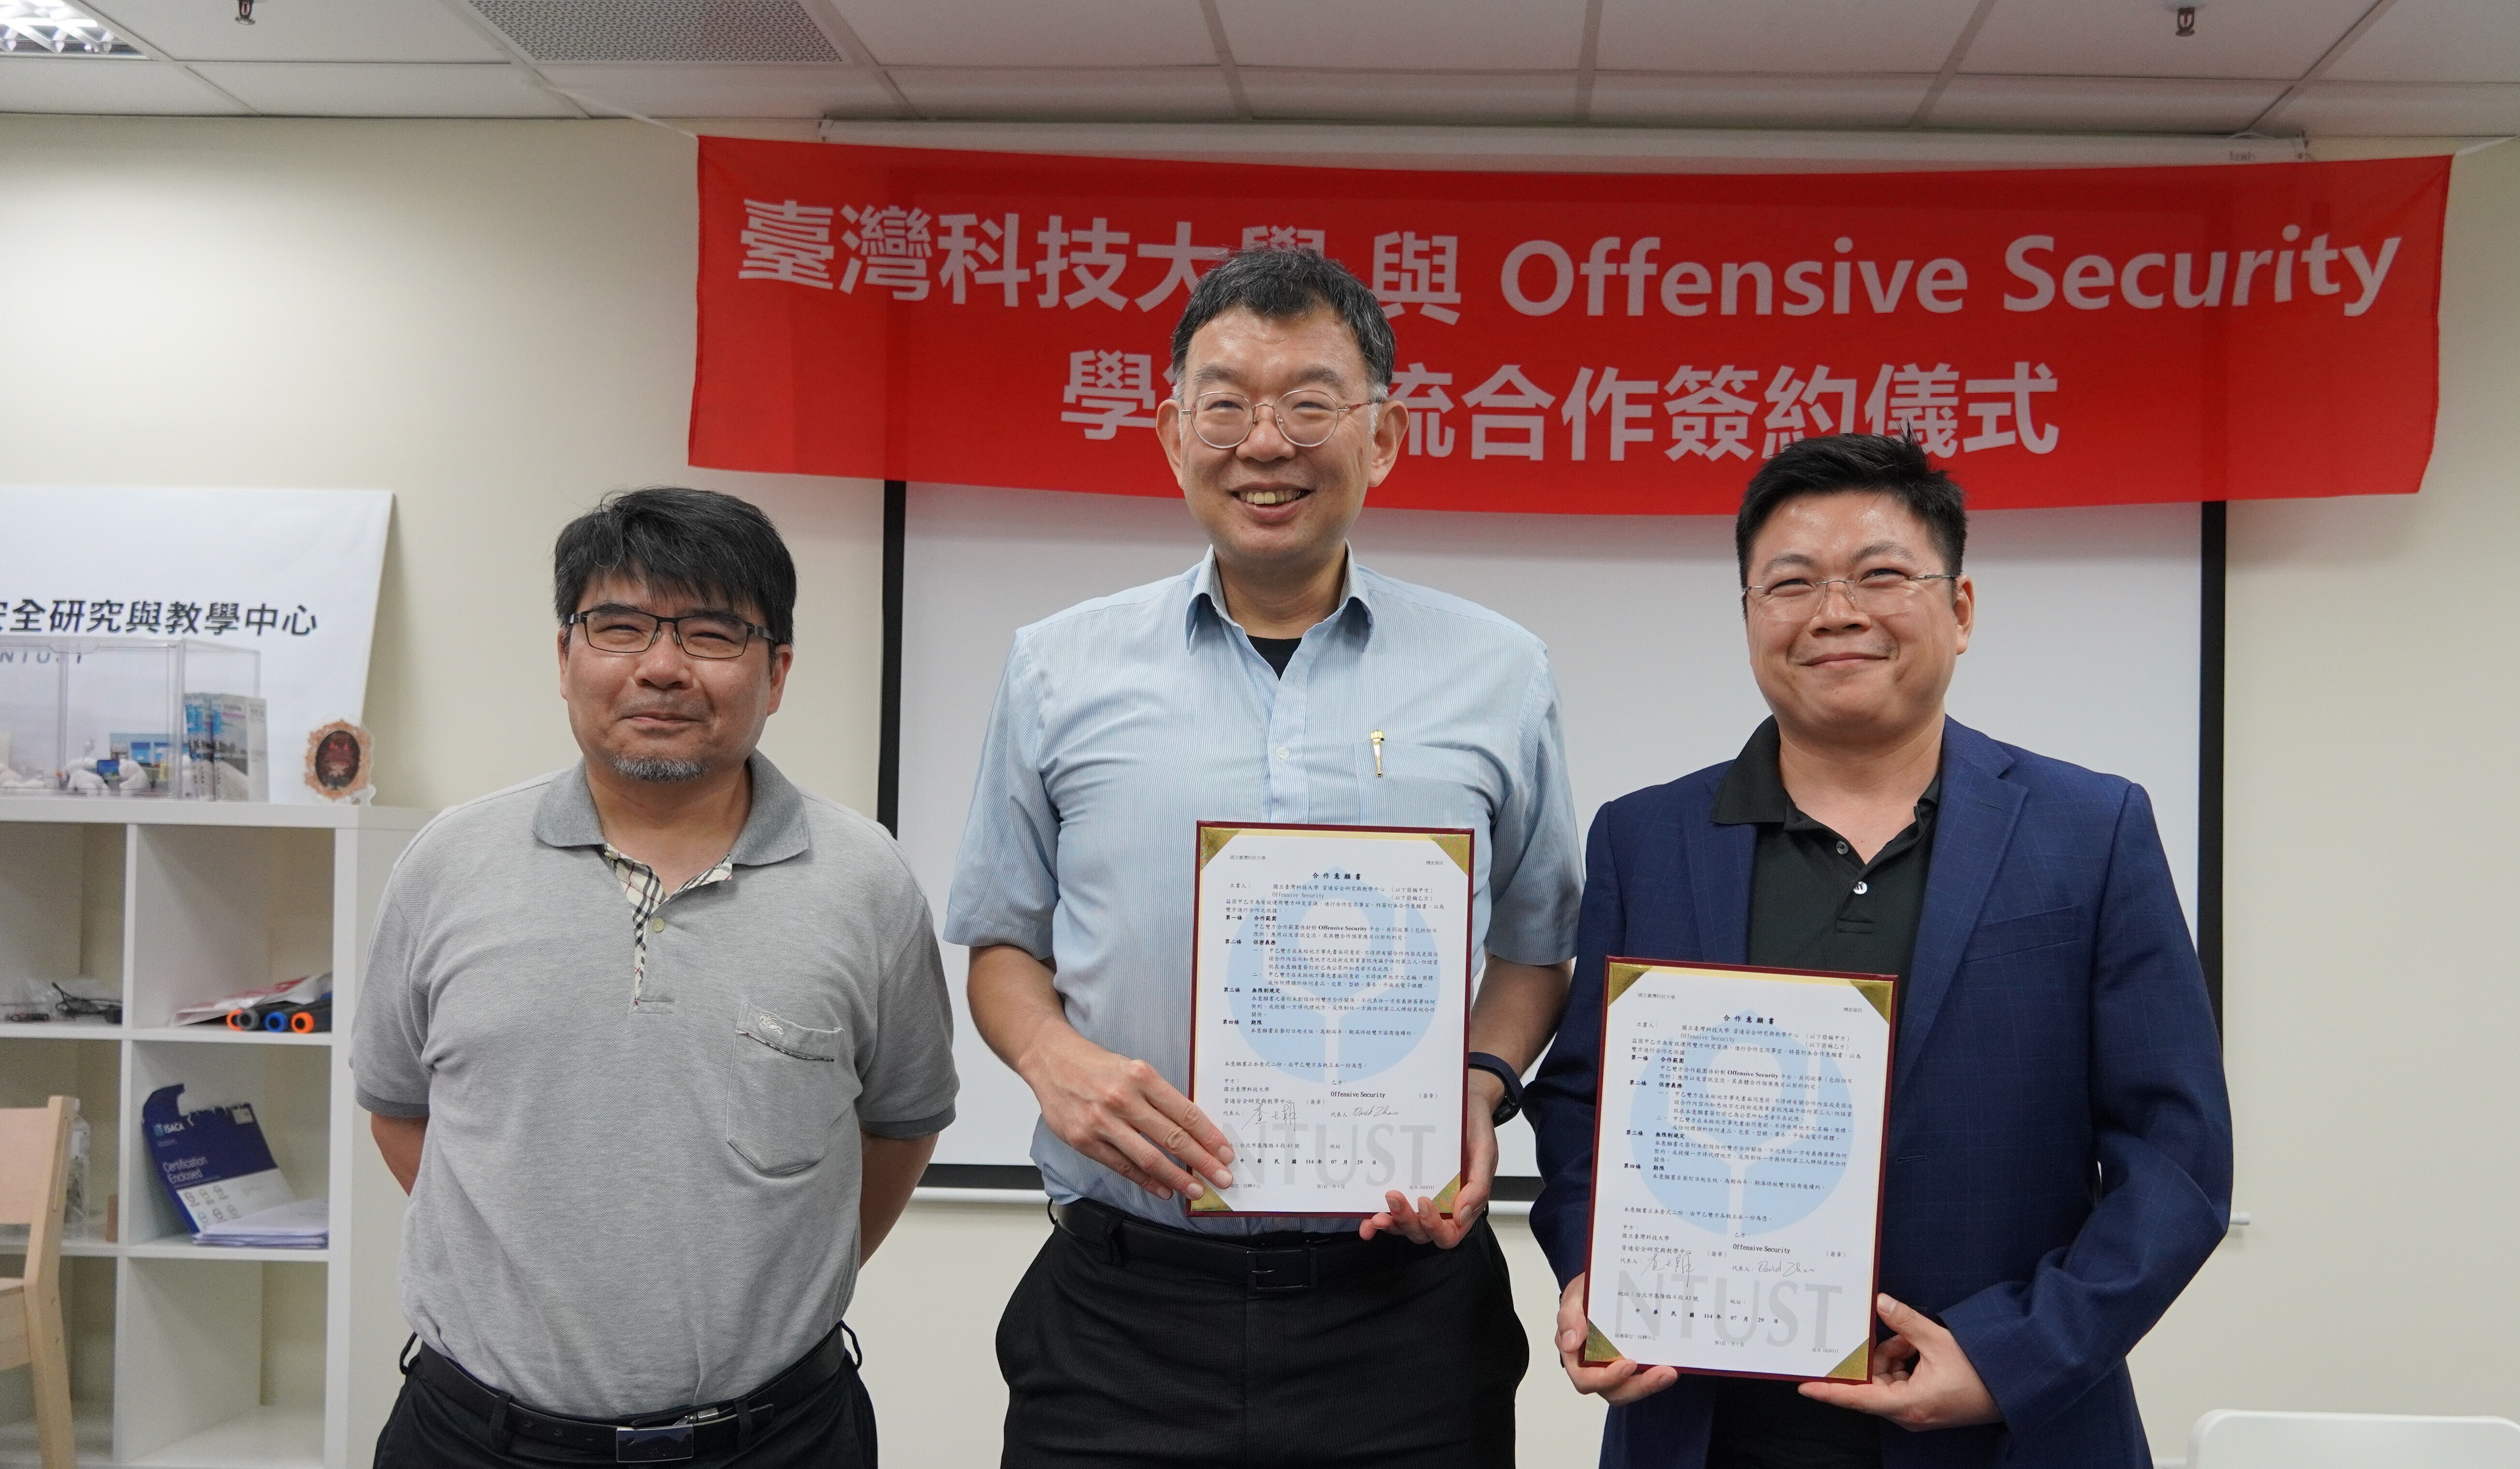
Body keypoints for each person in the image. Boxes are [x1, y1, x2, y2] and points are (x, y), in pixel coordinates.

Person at [946, 247, 1583, 1468]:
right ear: (1173, 434)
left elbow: (1536, 945)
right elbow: (1002, 945)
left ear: (1383, 435)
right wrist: (1050, 1057)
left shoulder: (1498, 670)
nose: (1265, 441)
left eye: (1308, 402)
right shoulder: (1058, 667)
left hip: (1396, 1311)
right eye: (1225, 402)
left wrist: (1482, 1083)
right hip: (1124, 1309)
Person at [1527, 435, 2233, 1469]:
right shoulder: (1648, 839)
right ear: (1749, 618)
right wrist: (1602, 1274)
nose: (1836, 611)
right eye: (1792, 582)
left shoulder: (2091, 829)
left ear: (1961, 610)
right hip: (1708, 1429)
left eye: (1882, 575)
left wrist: (2014, 1356)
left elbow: (2177, 1158)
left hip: (2002, 1432)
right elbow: (1585, 1107)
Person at [352, 486, 957, 1468]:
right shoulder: (447, 862)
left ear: (778, 670)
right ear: (564, 657)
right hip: (476, 1438)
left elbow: (900, 1125)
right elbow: (400, 1110)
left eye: (713, 634)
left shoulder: (866, 882)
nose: (663, 667)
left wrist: (765, 1286)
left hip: (779, 1440)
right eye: (619, 627)